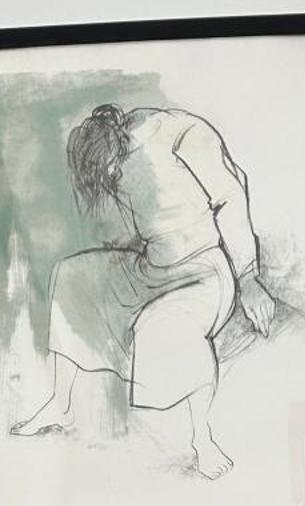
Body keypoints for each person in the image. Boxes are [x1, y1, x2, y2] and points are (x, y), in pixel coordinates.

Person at [15, 103, 276, 479]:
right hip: (151, 269)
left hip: (204, 273)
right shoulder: (113, 151)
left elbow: (233, 191)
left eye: (109, 170)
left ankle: (202, 440)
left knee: (161, 326)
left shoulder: (177, 133)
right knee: (71, 276)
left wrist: (249, 279)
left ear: (117, 145)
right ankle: (59, 402)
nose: (110, 178)